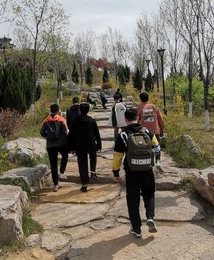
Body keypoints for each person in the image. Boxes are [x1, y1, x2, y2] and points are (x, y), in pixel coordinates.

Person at [112, 108, 160, 238]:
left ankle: (137, 229)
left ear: (125, 119)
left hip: (131, 172)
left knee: (133, 200)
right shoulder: (147, 132)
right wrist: (157, 161)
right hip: (147, 170)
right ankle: (150, 217)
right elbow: (157, 148)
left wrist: (116, 172)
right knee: (149, 194)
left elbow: (117, 156)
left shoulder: (123, 135)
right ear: (137, 118)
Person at [67, 102, 102, 192]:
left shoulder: (75, 121)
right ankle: (93, 171)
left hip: (79, 145)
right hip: (91, 144)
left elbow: (71, 135)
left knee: (82, 164)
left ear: (80, 110)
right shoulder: (92, 121)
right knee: (93, 156)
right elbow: (97, 134)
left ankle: (84, 184)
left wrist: (71, 148)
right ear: (88, 110)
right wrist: (99, 145)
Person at [40, 104, 69, 192]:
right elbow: (65, 132)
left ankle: (55, 184)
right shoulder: (61, 119)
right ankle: (62, 172)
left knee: (53, 164)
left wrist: (48, 137)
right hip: (61, 144)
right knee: (65, 155)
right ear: (58, 110)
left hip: (51, 145)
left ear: (50, 110)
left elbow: (42, 132)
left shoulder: (46, 120)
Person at [136, 92, 165, 164]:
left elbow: (136, 121)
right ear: (148, 98)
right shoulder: (154, 107)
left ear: (140, 99)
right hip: (155, 131)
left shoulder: (138, 108)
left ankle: (147, 161)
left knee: (144, 147)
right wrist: (161, 130)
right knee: (156, 146)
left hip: (143, 132)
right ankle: (158, 160)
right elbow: (160, 120)